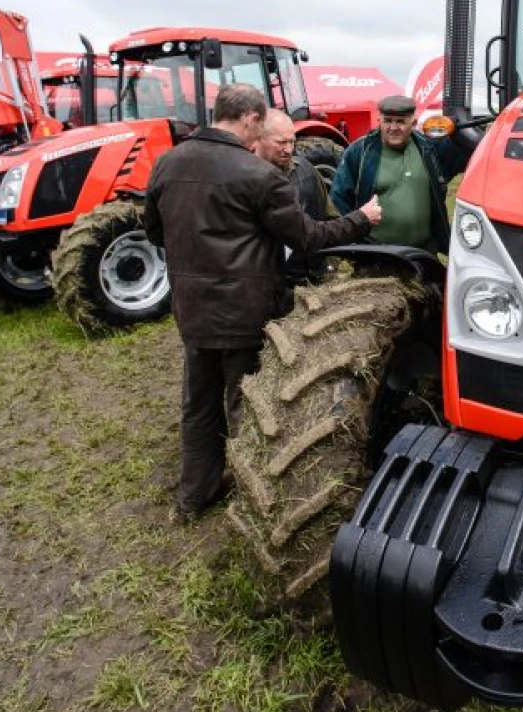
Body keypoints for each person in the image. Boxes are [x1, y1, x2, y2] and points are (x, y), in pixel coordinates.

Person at [144, 85, 383, 523]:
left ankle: (194, 497)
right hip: (244, 313)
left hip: (192, 310)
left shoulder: (167, 163)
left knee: (198, 402)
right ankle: (250, 503)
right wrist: (359, 221)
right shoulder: (256, 175)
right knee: (247, 405)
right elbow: (308, 237)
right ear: (251, 119)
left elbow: (155, 233)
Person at [330, 94, 468, 253]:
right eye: (387, 120)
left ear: (413, 123)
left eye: (400, 121)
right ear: (379, 121)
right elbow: (338, 199)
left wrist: (459, 127)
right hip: (374, 253)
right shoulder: (359, 152)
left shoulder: (431, 150)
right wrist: (351, 243)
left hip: (423, 252)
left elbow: (470, 152)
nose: (393, 127)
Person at [253, 109, 332, 286]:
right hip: (271, 287)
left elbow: (328, 216)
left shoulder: (307, 170)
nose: (288, 149)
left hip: (313, 279)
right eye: (281, 142)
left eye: (292, 141)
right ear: (259, 138)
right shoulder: (245, 180)